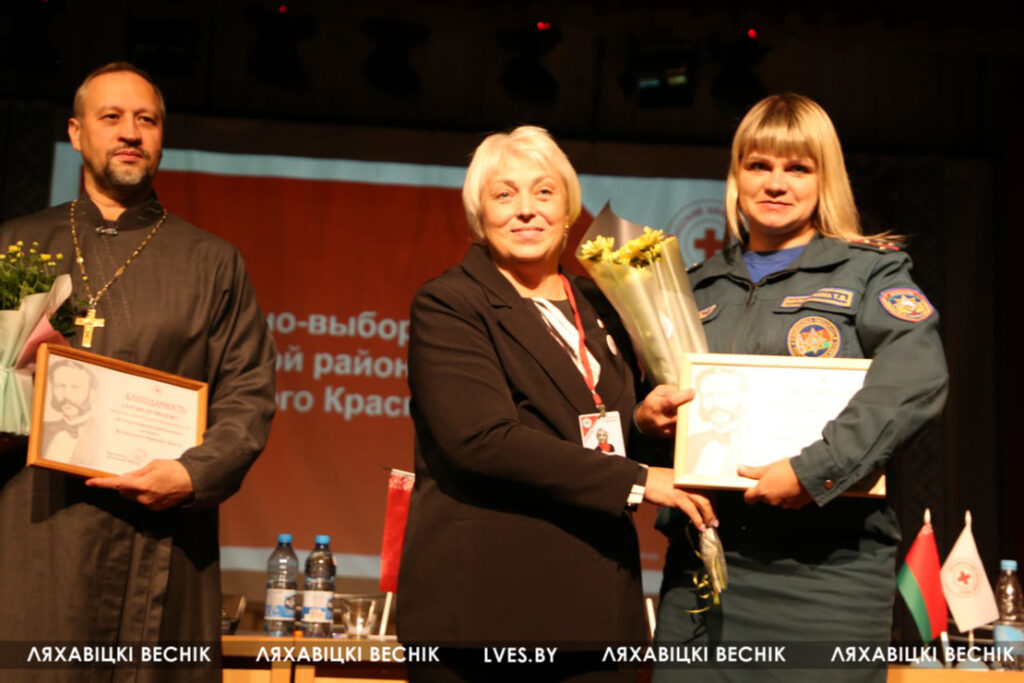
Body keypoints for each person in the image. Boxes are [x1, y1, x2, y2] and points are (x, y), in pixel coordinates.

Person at [396, 125, 716, 682]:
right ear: (479, 215)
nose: (526, 209)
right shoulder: (450, 303)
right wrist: (640, 480)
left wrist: (643, 422)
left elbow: (595, 429)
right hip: (488, 611)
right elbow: (482, 441)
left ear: (568, 211)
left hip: (599, 607)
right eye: (504, 194)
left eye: (543, 192)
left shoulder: (600, 302)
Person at [653, 94, 948, 682]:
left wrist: (816, 470)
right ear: (736, 175)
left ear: (824, 177)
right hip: (703, 572)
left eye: (797, 168)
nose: (775, 183)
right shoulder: (694, 286)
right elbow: (663, 419)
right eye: (759, 165)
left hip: (827, 576)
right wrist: (649, 419)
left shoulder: (871, 271)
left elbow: (916, 379)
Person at [0, 62, 276, 682]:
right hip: (34, 536)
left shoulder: (211, 262)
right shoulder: (15, 247)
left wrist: (194, 472)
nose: (131, 132)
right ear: (76, 133)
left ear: (161, 137)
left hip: (162, 541)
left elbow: (248, 396)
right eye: (112, 117)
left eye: (146, 120)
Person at [39, 359, 103, 468]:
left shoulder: (104, 436)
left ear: (92, 393)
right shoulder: (42, 429)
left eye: (75, 387)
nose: (67, 395)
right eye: (60, 386)